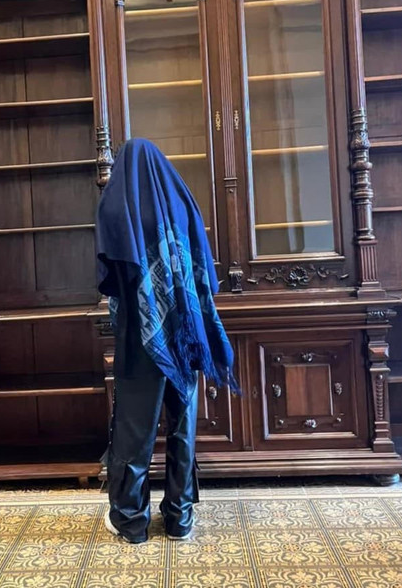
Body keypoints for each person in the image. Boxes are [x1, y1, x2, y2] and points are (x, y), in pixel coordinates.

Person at [95, 138, 238, 544]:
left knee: (134, 426)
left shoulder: (115, 204)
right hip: (186, 329)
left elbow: (110, 276)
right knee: (182, 422)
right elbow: (203, 266)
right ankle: (180, 518)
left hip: (141, 334)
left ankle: (131, 522)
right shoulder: (182, 198)